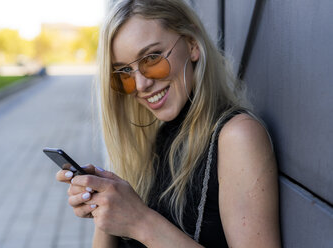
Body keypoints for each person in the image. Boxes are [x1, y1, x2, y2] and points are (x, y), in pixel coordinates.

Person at [56, 0, 282, 247]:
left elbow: (144, 226)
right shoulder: (155, 141)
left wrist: (139, 221)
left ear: (192, 44)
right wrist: (107, 210)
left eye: (152, 58)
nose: (140, 85)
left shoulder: (237, 136)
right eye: (124, 73)